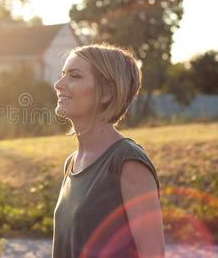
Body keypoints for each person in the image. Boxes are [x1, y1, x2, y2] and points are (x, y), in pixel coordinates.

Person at [52, 43, 165, 258]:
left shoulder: (127, 162)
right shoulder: (71, 163)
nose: (59, 84)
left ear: (107, 93)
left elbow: (153, 253)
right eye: (62, 74)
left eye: (74, 76)